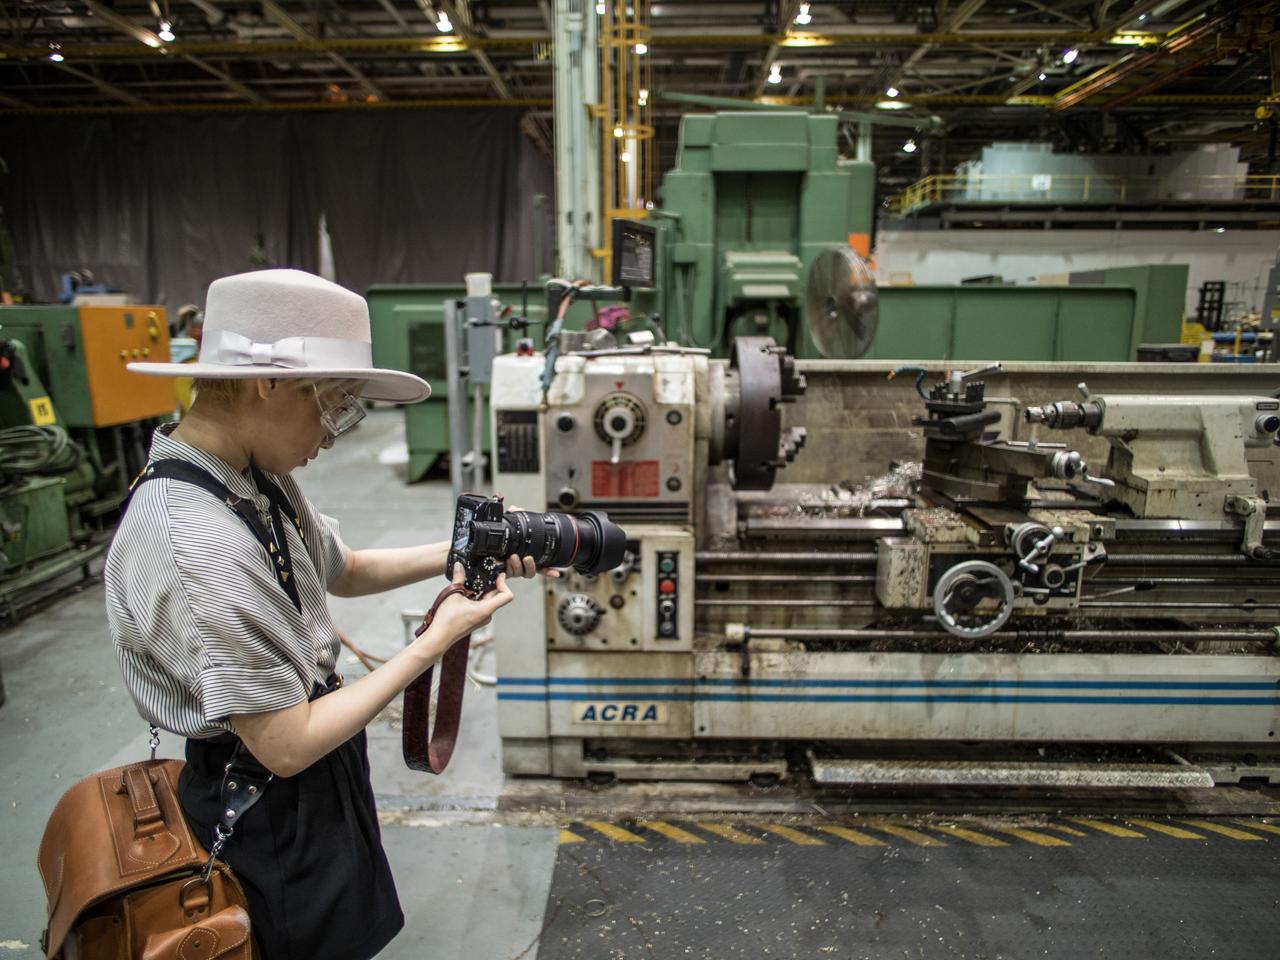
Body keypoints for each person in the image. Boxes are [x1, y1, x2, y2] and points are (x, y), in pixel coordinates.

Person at [105, 268, 532, 960]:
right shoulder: (196, 540)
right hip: (265, 800)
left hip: (314, 770)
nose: (332, 435)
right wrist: (435, 642)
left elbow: (347, 568)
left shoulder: (249, 477)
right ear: (267, 383)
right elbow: (285, 743)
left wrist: (468, 551)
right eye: (331, 406)